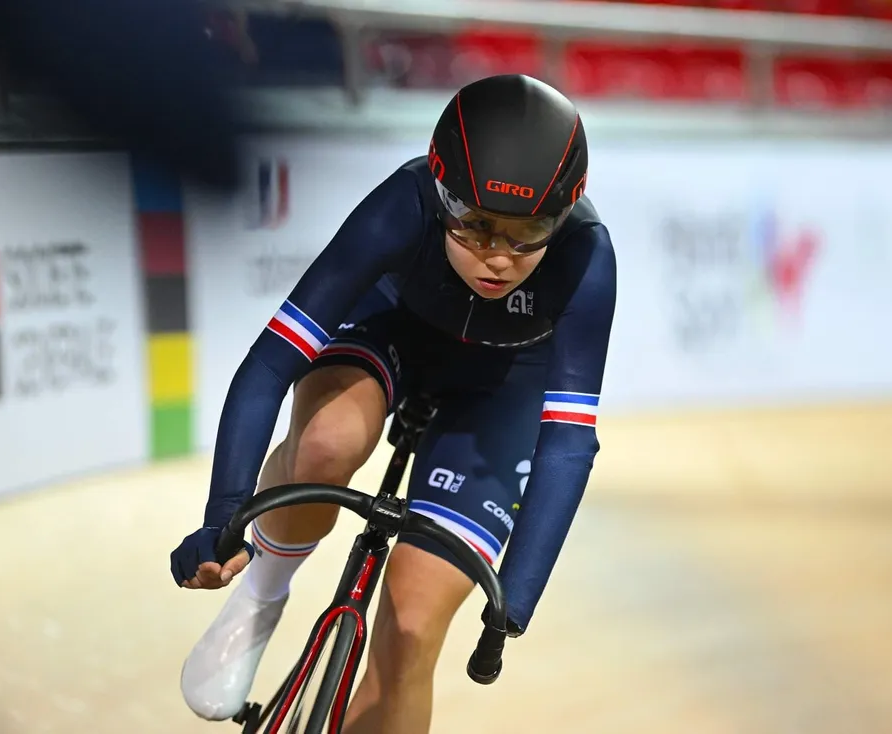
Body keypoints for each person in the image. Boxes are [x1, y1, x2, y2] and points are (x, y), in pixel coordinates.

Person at [170, 73, 617, 733]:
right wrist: (223, 518)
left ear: (563, 213)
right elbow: (269, 366)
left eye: (526, 235)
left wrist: (513, 603)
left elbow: (569, 444)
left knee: (410, 625)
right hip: (392, 327)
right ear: (441, 193)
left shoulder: (587, 258)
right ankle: (260, 596)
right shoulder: (400, 205)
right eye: (474, 225)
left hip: (504, 381)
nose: (497, 257)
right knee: (328, 441)